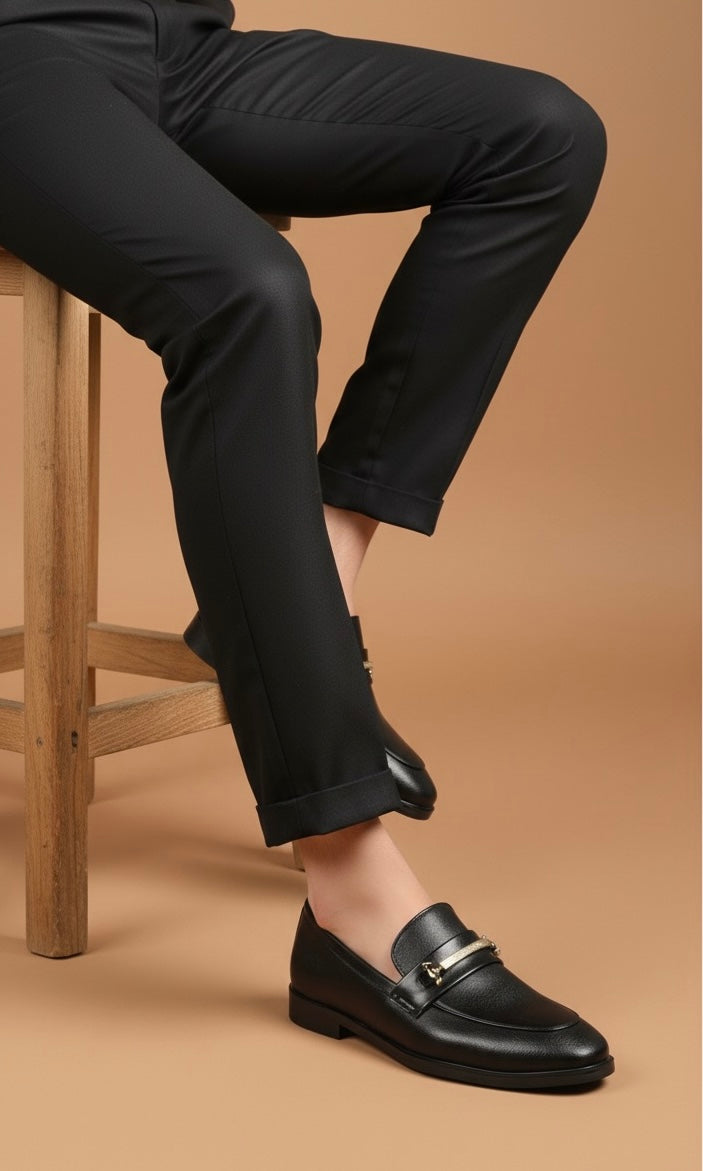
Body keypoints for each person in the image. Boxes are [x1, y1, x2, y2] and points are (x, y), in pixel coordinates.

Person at [0, 0, 613, 1088]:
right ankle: (352, 900)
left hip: (171, 42)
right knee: (249, 293)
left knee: (541, 134)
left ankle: (309, 593)